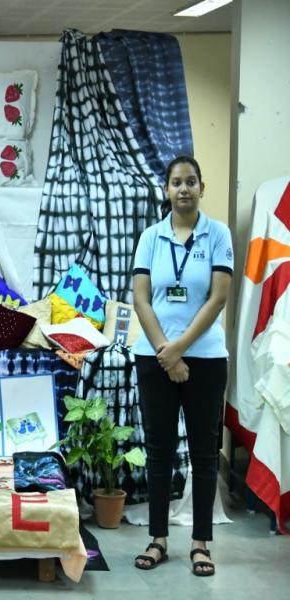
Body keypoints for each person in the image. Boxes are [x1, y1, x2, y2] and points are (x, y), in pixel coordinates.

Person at [131, 155, 233, 576]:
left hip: (205, 358)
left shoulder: (218, 234)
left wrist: (180, 350)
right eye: (176, 182)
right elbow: (141, 298)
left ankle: (200, 544)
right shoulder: (150, 237)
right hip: (154, 357)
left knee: (204, 453)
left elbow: (218, 297)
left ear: (201, 188)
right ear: (167, 189)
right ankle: (158, 539)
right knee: (159, 451)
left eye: (191, 181)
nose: (184, 189)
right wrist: (165, 351)